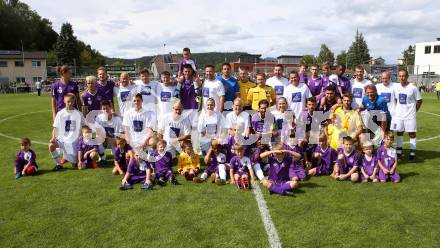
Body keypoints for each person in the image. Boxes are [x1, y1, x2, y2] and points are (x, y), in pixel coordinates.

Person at [391, 69, 422, 162]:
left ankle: (412, 154)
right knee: (399, 132)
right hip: (399, 115)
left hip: (410, 115)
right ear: (398, 76)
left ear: (407, 76)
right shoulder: (396, 87)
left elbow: (419, 100)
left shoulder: (413, 88)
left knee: (411, 133)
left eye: (403, 76)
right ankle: (399, 153)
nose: (402, 78)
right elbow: (396, 99)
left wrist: (414, 111)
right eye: (400, 76)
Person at [49, 93, 84, 170]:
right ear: (64, 101)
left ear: (74, 101)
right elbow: (55, 127)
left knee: (75, 165)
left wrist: (81, 137)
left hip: (74, 142)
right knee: (51, 145)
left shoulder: (79, 114)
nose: (70, 103)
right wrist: (53, 137)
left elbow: (83, 127)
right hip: (62, 140)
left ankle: (70, 158)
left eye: (71, 101)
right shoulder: (60, 114)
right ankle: (59, 164)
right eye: (68, 101)